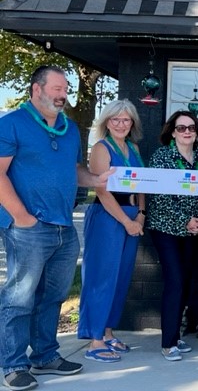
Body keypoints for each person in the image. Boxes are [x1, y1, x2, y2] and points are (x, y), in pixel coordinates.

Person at [0, 65, 114, 391]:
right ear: (37, 89)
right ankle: (14, 364)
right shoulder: (11, 124)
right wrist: (22, 217)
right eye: (58, 88)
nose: (63, 95)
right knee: (19, 298)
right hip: (28, 227)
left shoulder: (69, 129)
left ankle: (46, 355)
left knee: (53, 296)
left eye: (66, 89)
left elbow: (75, 169)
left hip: (64, 227)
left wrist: (95, 180)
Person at [78, 99, 145, 363]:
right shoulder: (100, 148)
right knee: (101, 277)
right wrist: (126, 222)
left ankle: (107, 333)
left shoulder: (133, 147)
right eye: (115, 119)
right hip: (108, 216)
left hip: (131, 215)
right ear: (107, 122)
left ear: (132, 123)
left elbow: (142, 185)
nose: (121, 124)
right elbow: (102, 191)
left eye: (126, 119)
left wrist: (140, 214)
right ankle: (94, 340)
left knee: (120, 277)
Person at [145, 111, 198, 362]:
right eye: (181, 128)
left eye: (191, 128)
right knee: (174, 280)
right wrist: (185, 221)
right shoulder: (162, 156)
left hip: (194, 231)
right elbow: (160, 196)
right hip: (167, 229)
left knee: (185, 281)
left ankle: (176, 335)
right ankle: (168, 343)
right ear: (172, 131)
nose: (186, 132)